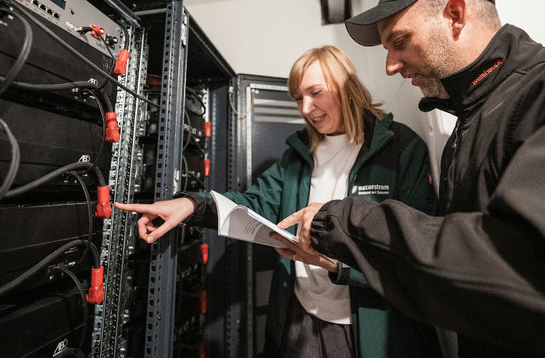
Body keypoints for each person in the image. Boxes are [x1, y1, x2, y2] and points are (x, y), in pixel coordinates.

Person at [275, 0, 545, 358]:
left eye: (399, 42)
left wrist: (344, 221)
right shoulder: (464, 130)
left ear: (456, 14)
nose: (390, 66)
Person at [115, 45, 444, 357]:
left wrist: (334, 264)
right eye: (298, 98)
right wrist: (190, 204)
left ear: (347, 87)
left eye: (315, 93)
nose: (304, 108)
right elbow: (254, 203)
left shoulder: (400, 148)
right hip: (302, 319)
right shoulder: (298, 156)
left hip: (373, 328)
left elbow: (415, 249)